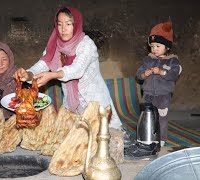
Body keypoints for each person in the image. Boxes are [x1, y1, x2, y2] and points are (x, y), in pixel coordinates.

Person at [14, 6, 122, 130]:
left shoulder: (87, 45)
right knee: (75, 142)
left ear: (76, 24)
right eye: (59, 24)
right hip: (72, 106)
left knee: (102, 138)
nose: (63, 29)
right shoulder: (56, 44)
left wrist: (52, 75)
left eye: (68, 24)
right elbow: (44, 63)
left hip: (94, 101)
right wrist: (28, 74)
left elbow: (77, 69)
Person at [125, 21, 182, 159]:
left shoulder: (172, 61)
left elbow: (174, 74)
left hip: (163, 96)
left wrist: (162, 72)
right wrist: (145, 74)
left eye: (158, 46)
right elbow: (138, 74)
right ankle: (145, 139)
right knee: (146, 117)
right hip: (148, 94)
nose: (154, 49)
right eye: (152, 46)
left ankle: (160, 140)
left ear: (167, 46)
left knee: (161, 118)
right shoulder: (148, 60)